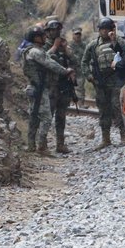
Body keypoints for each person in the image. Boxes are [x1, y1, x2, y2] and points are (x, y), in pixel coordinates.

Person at [21, 26, 74, 155]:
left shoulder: (31, 51)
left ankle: (31, 145)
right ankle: (41, 147)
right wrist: (65, 71)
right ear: (36, 38)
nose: (45, 37)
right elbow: (50, 63)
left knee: (34, 117)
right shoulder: (36, 52)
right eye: (42, 36)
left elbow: (46, 57)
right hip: (39, 89)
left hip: (34, 87)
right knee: (46, 117)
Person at [81, 18, 125, 148]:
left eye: (107, 29)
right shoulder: (93, 45)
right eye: (102, 30)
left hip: (116, 80)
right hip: (100, 81)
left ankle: (123, 135)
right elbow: (84, 62)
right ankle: (105, 138)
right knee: (103, 109)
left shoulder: (119, 41)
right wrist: (89, 76)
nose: (105, 32)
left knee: (117, 107)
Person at [43, 19, 75, 154]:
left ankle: (60, 144)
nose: (56, 32)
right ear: (48, 32)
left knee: (61, 116)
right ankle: (42, 145)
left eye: (58, 30)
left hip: (63, 86)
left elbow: (75, 61)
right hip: (50, 87)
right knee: (46, 116)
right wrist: (55, 47)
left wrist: (66, 49)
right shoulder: (44, 45)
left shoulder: (64, 45)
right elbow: (43, 59)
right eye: (53, 30)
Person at [68, 27, 88, 100]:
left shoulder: (84, 45)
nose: (78, 36)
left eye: (79, 34)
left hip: (80, 70)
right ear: (73, 35)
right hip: (71, 70)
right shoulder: (69, 45)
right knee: (70, 88)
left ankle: (81, 103)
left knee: (80, 87)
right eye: (76, 34)